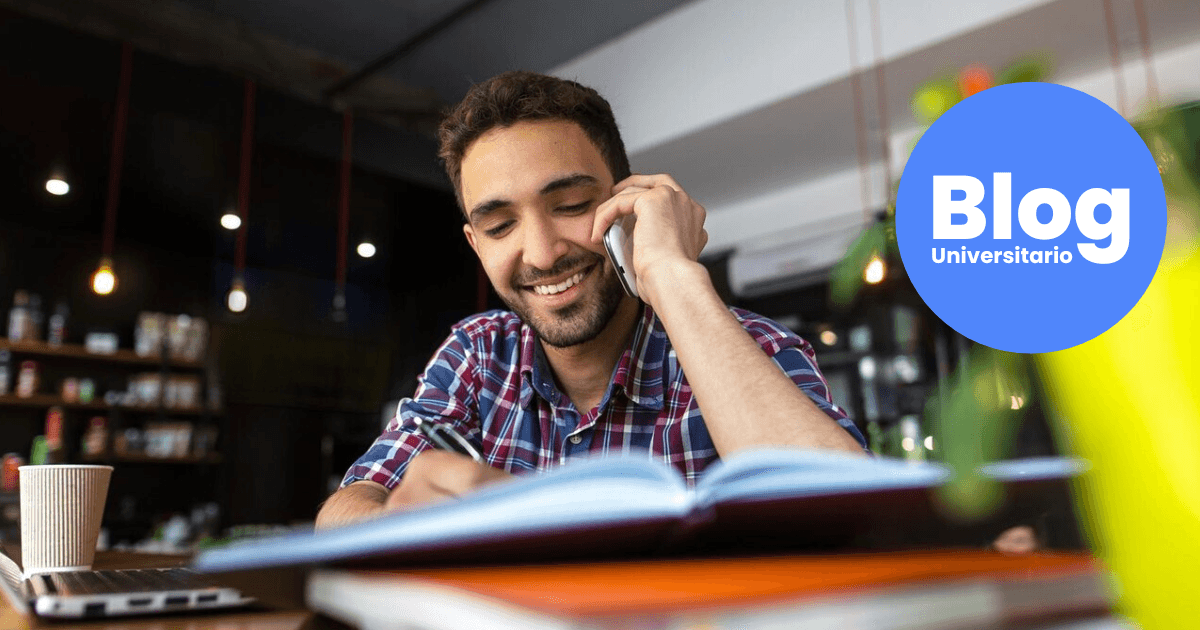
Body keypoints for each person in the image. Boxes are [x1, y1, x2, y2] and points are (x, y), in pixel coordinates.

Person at [316, 71, 868, 529]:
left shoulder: (751, 347)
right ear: (475, 244)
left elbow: (850, 514)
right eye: (501, 225)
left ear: (630, 203)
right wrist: (401, 517)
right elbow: (346, 508)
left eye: (572, 204)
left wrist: (672, 271)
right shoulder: (480, 353)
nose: (541, 253)